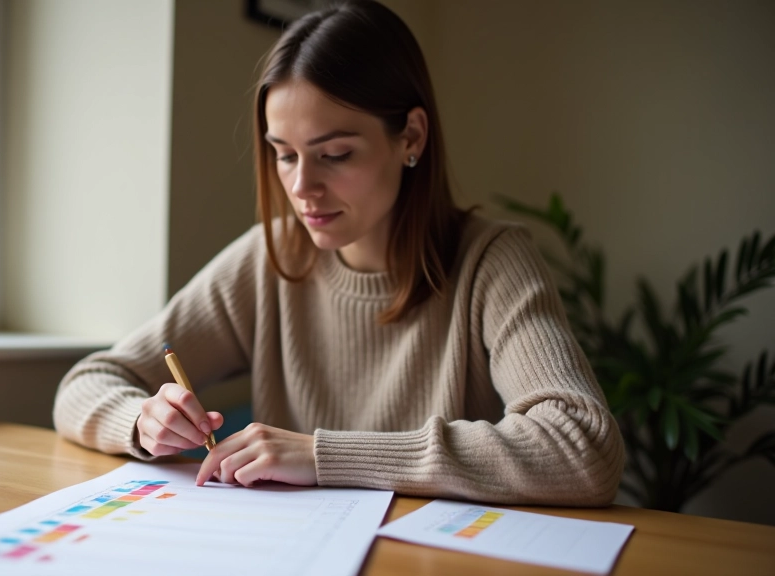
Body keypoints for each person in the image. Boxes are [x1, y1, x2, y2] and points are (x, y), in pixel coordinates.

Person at [54, 0, 624, 506]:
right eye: (284, 154)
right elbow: (87, 382)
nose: (302, 187)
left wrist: (324, 456)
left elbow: (582, 448)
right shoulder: (268, 258)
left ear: (412, 138)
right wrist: (142, 421)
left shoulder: (493, 262)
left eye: (335, 154)